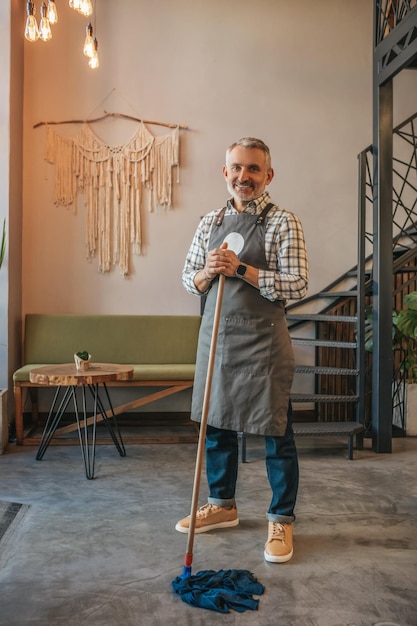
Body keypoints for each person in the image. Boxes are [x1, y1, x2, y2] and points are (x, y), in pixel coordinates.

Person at [176, 137, 308, 563]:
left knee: (275, 434)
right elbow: (187, 278)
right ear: (224, 172)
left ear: (268, 175)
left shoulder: (282, 222)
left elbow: (298, 283)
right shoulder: (208, 221)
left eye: (253, 169)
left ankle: (281, 519)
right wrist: (206, 273)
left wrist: (243, 270)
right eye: (236, 167)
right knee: (216, 427)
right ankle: (222, 505)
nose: (243, 176)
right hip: (218, 341)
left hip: (264, 344)